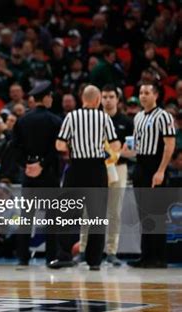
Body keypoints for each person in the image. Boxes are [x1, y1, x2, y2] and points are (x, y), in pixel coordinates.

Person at [55, 85, 120, 270]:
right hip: (97, 169)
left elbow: (59, 145)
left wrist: (71, 148)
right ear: (98, 100)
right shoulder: (104, 117)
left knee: (67, 213)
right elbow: (115, 146)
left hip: (76, 168)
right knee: (97, 216)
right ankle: (95, 261)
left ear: (82, 98)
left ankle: (65, 255)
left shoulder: (71, 117)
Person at [78, 85, 133, 266]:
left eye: (111, 97)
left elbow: (133, 151)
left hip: (118, 168)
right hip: (95, 168)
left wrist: (117, 154)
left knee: (114, 211)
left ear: (118, 100)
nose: (108, 100)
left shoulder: (127, 121)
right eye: (105, 97)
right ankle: (83, 249)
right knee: (88, 211)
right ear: (99, 99)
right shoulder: (91, 119)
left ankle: (111, 251)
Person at [11, 80, 62, 265]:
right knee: (52, 217)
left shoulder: (22, 120)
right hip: (49, 173)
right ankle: (51, 257)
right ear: (47, 97)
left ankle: (22, 257)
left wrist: (27, 164)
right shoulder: (56, 120)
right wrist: (42, 164)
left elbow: (14, 147)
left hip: (29, 172)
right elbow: (57, 148)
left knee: (26, 217)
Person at [127, 83, 176, 268]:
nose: (143, 96)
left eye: (147, 93)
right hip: (140, 165)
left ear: (155, 95)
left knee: (157, 213)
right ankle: (146, 256)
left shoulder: (164, 116)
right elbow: (135, 145)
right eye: (140, 93)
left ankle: (159, 258)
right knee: (143, 213)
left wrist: (161, 170)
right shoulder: (138, 116)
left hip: (156, 165)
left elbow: (170, 145)